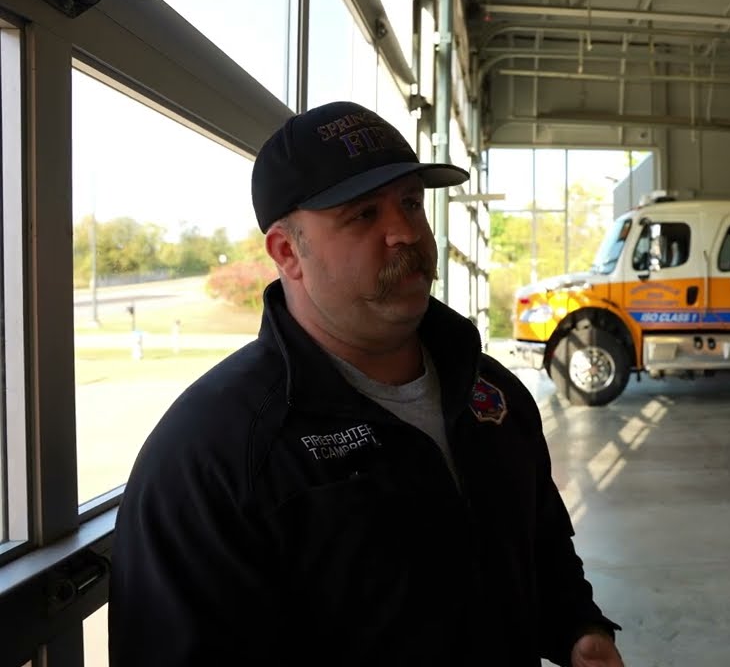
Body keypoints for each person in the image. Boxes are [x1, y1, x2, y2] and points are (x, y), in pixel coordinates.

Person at [110, 101, 624, 667]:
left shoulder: (492, 397)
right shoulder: (212, 457)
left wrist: (580, 629)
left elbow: (541, 545)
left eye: (410, 203)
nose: (404, 232)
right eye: (362, 215)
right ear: (288, 253)